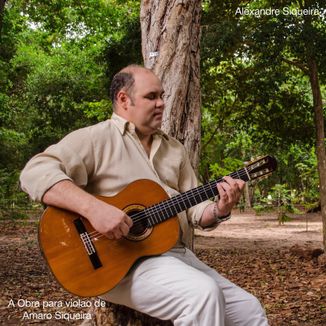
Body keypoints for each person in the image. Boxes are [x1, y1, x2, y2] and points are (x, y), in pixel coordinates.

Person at [20, 64, 268, 325]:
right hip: (116, 263)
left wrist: (220, 209)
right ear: (124, 100)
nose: (161, 103)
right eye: (151, 97)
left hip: (175, 255)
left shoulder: (174, 149)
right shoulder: (96, 138)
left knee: (248, 310)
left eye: (162, 96)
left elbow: (196, 211)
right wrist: (94, 209)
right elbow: (34, 173)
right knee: (202, 295)